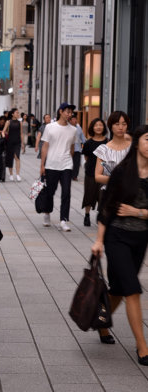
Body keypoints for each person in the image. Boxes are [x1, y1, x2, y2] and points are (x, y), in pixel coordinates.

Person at [91, 125, 148, 364]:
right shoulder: (122, 172)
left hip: (139, 240)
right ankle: (142, 347)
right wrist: (99, 240)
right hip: (117, 238)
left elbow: (140, 212)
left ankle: (99, 322)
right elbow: (107, 209)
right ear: (137, 143)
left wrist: (139, 212)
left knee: (118, 289)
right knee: (132, 290)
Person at [40, 102, 77, 231]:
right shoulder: (50, 127)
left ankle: (63, 220)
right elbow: (45, 146)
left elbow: (72, 147)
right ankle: (47, 213)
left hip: (66, 164)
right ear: (60, 111)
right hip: (51, 164)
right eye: (67, 111)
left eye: (71, 112)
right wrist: (42, 165)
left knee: (66, 192)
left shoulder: (73, 129)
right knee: (50, 191)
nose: (69, 114)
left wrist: (69, 160)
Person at [94, 111, 131, 189]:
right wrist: (117, 179)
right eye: (117, 124)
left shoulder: (132, 147)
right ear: (111, 126)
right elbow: (97, 176)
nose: (121, 127)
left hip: (129, 193)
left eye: (124, 124)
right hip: (109, 193)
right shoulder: (103, 149)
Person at [81, 118, 108, 226]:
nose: (98, 127)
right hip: (90, 173)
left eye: (100, 125)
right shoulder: (88, 143)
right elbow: (87, 158)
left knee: (102, 196)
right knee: (89, 195)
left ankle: (100, 215)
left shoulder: (108, 142)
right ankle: (87, 215)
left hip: (104, 174)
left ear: (104, 127)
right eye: (96, 125)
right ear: (92, 127)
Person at [2, 108, 24, 181]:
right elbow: (3, 131)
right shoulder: (8, 122)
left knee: (17, 157)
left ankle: (17, 174)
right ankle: (11, 174)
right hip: (10, 142)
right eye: (17, 113)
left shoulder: (20, 122)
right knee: (10, 158)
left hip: (17, 142)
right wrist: (3, 135)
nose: (18, 114)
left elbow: (21, 133)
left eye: (18, 113)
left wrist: (23, 143)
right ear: (12, 114)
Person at [69, 113, 86, 181]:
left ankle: (74, 176)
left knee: (76, 163)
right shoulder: (68, 127)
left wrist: (85, 144)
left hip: (77, 149)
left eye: (75, 119)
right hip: (69, 149)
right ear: (70, 120)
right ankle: (68, 175)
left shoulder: (79, 128)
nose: (75, 120)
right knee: (69, 163)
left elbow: (82, 137)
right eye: (73, 119)